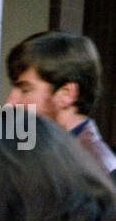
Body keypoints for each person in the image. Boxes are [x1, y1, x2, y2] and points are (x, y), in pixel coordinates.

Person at [6, 29, 116, 183]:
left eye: (25, 90)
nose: (9, 103)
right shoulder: (41, 155)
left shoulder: (97, 173)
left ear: (66, 94)